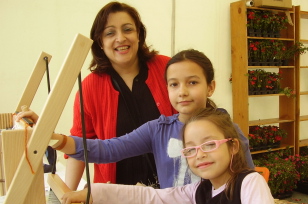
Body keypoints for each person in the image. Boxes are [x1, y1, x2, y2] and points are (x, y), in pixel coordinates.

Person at [18, 49, 254, 191]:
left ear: (210, 87)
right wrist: (52, 136)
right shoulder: (158, 130)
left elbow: (248, 182)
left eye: (192, 82)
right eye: (174, 84)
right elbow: (107, 149)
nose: (182, 91)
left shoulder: (229, 131)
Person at [61, 108, 280, 204]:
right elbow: (151, 197)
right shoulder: (199, 191)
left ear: (232, 146)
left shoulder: (250, 184)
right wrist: (92, 194)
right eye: (191, 149)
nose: (200, 154)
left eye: (209, 144)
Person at [64, 1, 176, 189]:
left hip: (172, 192)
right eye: (110, 33)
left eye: (127, 30)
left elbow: (194, 120)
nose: (120, 38)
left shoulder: (167, 68)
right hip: (117, 199)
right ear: (100, 42)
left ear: (139, 35)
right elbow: (80, 144)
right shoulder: (90, 87)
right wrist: (67, 194)